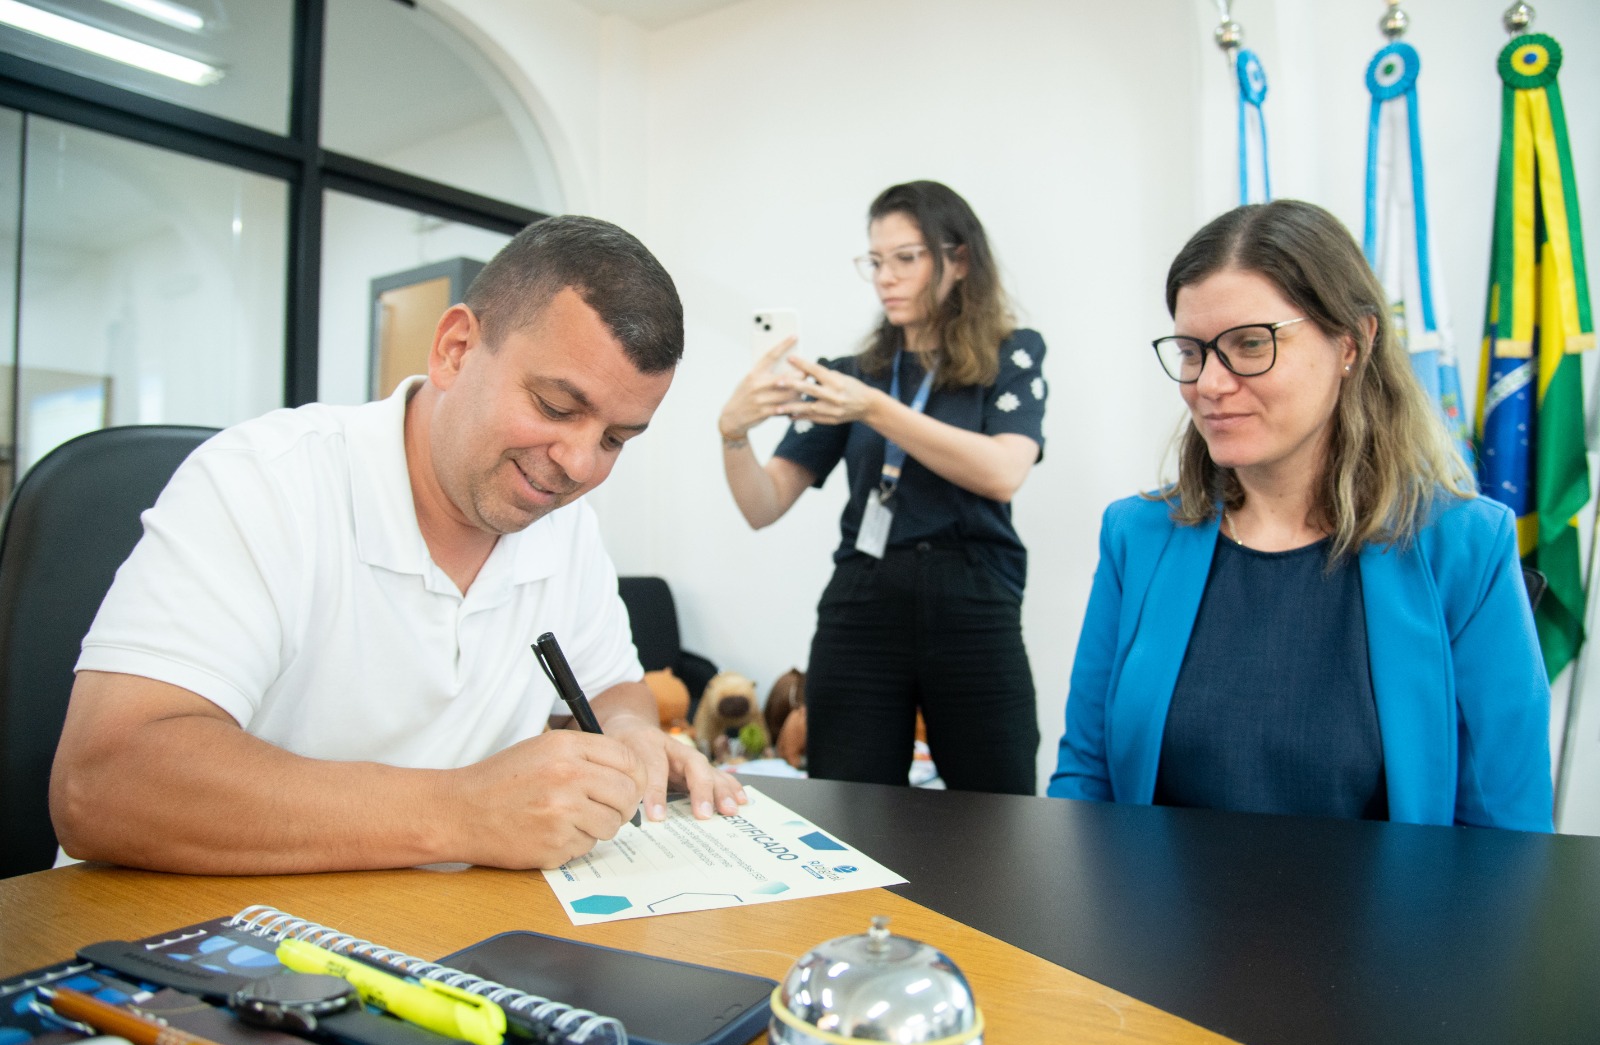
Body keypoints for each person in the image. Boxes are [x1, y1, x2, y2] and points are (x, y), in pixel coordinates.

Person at [50, 215, 747, 874]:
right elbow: (102, 782)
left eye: (615, 439)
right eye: (556, 408)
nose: (580, 465)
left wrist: (629, 739)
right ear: (455, 349)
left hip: (435, 939)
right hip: (198, 947)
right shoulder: (264, 482)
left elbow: (613, 688)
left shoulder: (565, 528)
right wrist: (458, 812)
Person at [1049, 199, 1552, 831]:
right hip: (1154, 924)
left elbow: (1505, 838)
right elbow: (1085, 783)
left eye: (1250, 344)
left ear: (1353, 342)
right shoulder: (1137, 536)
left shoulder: (1464, 548)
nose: (1208, 383)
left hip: (1390, 929)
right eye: (1191, 350)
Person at [718, 180, 1045, 793]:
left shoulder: (1011, 355)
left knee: (1000, 806)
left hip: (973, 594)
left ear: (959, 259)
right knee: (849, 805)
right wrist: (733, 434)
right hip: (863, 597)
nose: (885, 277)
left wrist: (872, 409)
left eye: (906, 258)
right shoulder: (852, 377)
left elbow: (1003, 471)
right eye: (875, 261)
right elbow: (763, 505)